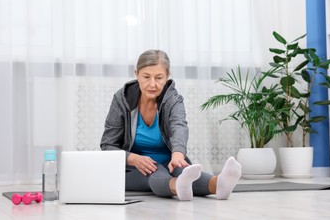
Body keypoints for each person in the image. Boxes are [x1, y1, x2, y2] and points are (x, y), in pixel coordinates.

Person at [100, 49, 241, 201]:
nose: (152, 84)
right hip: (132, 169)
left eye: (159, 78)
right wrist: (132, 158)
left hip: (169, 162)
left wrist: (178, 154)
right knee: (155, 171)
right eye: (146, 77)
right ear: (137, 74)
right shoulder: (122, 99)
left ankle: (219, 184)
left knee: (183, 170)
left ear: (167, 77)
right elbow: (107, 144)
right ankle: (177, 186)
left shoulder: (173, 99)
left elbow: (179, 125)